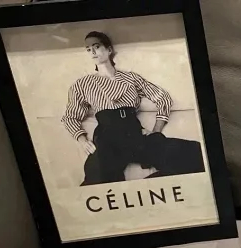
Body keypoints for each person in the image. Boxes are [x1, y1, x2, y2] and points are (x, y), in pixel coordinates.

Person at [61, 31, 205, 186]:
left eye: (96, 46)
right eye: (88, 49)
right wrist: (82, 140)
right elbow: (70, 117)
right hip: (107, 138)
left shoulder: (131, 78)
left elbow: (163, 98)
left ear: (109, 50)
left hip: (135, 134)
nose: (93, 52)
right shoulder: (83, 84)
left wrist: (156, 131)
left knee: (196, 154)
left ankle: (149, 185)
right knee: (98, 179)